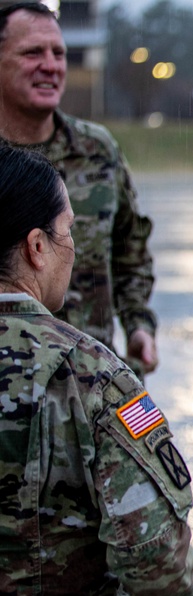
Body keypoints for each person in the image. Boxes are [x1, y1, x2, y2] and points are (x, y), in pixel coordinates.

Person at [0, 144, 193, 596]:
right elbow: (152, 546)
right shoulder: (91, 375)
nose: (72, 247)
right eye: (67, 231)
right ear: (36, 246)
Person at [0, 2, 158, 377]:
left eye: (59, 53)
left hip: (89, 379)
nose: (51, 65)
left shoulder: (98, 150)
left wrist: (138, 324)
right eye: (32, 52)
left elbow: (130, 247)